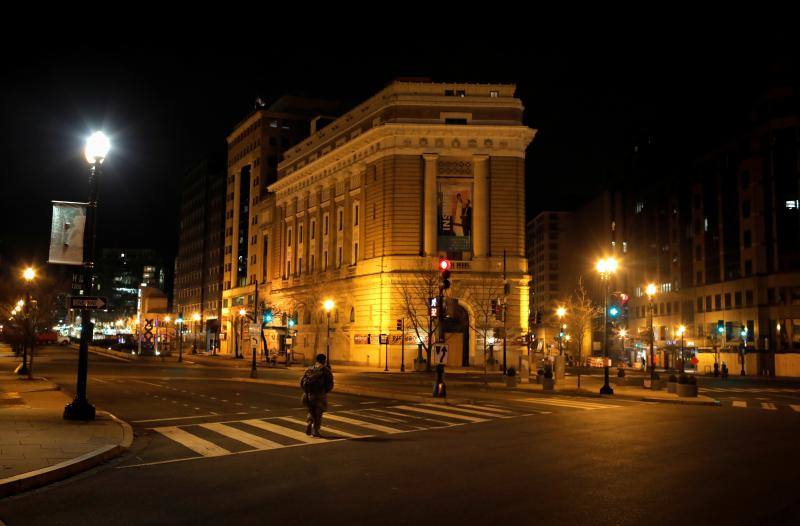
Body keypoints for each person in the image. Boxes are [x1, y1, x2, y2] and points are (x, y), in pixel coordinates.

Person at [300, 353, 334, 437]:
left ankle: (309, 422)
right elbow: (330, 383)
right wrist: (325, 391)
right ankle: (316, 431)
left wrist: (306, 391)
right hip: (319, 394)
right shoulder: (325, 370)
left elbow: (301, 382)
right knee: (318, 413)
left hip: (309, 394)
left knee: (311, 410)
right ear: (324, 360)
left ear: (316, 360)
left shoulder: (310, 369)